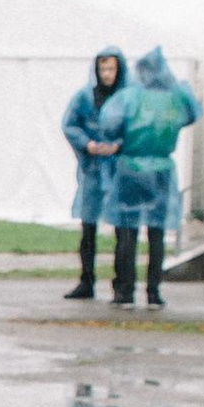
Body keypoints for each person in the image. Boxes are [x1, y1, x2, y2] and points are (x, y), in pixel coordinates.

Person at [98, 43, 199, 305]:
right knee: (157, 233)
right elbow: (192, 115)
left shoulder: (129, 97)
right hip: (163, 170)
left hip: (130, 168)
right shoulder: (176, 98)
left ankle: (125, 291)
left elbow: (109, 126)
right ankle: (154, 291)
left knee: (127, 230)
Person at [59, 46, 123, 298]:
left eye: (111, 69)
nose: (107, 74)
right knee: (88, 228)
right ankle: (86, 280)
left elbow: (134, 127)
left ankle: (121, 284)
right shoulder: (85, 97)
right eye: (103, 68)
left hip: (119, 170)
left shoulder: (125, 98)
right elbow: (70, 125)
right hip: (93, 170)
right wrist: (88, 144)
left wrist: (118, 145)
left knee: (123, 230)